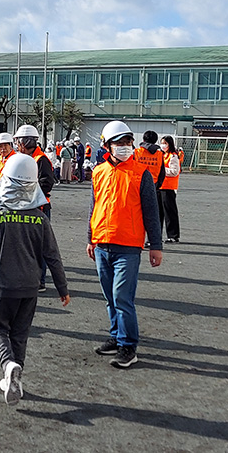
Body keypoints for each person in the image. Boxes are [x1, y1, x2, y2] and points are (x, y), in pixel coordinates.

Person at [0, 153, 70, 405]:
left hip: (3, 284)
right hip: (30, 287)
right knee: (20, 334)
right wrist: (62, 288)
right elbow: (52, 256)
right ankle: (16, 377)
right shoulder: (40, 218)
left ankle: (8, 364)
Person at [87, 121, 163, 369]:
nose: (125, 147)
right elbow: (94, 207)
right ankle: (116, 336)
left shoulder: (142, 174)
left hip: (128, 246)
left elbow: (152, 212)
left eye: (128, 142)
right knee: (110, 296)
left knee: (122, 297)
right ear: (107, 146)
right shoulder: (98, 172)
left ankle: (129, 346)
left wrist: (156, 245)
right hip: (102, 244)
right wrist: (91, 238)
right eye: (119, 143)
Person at [12, 124, 55, 292]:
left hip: (39, 207)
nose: (17, 145)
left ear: (25, 142)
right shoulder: (24, 158)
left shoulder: (41, 159)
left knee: (39, 245)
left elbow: (47, 183)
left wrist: (29, 193)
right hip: (25, 205)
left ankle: (40, 280)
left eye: (18, 141)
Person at [158, 135, 181, 243]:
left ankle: (173, 235)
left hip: (169, 187)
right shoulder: (162, 155)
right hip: (160, 186)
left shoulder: (173, 156)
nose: (163, 145)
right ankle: (157, 235)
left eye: (165, 143)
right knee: (159, 212)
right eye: (162, 143)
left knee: (170, 212)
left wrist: (162, 170)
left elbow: (174, 171)